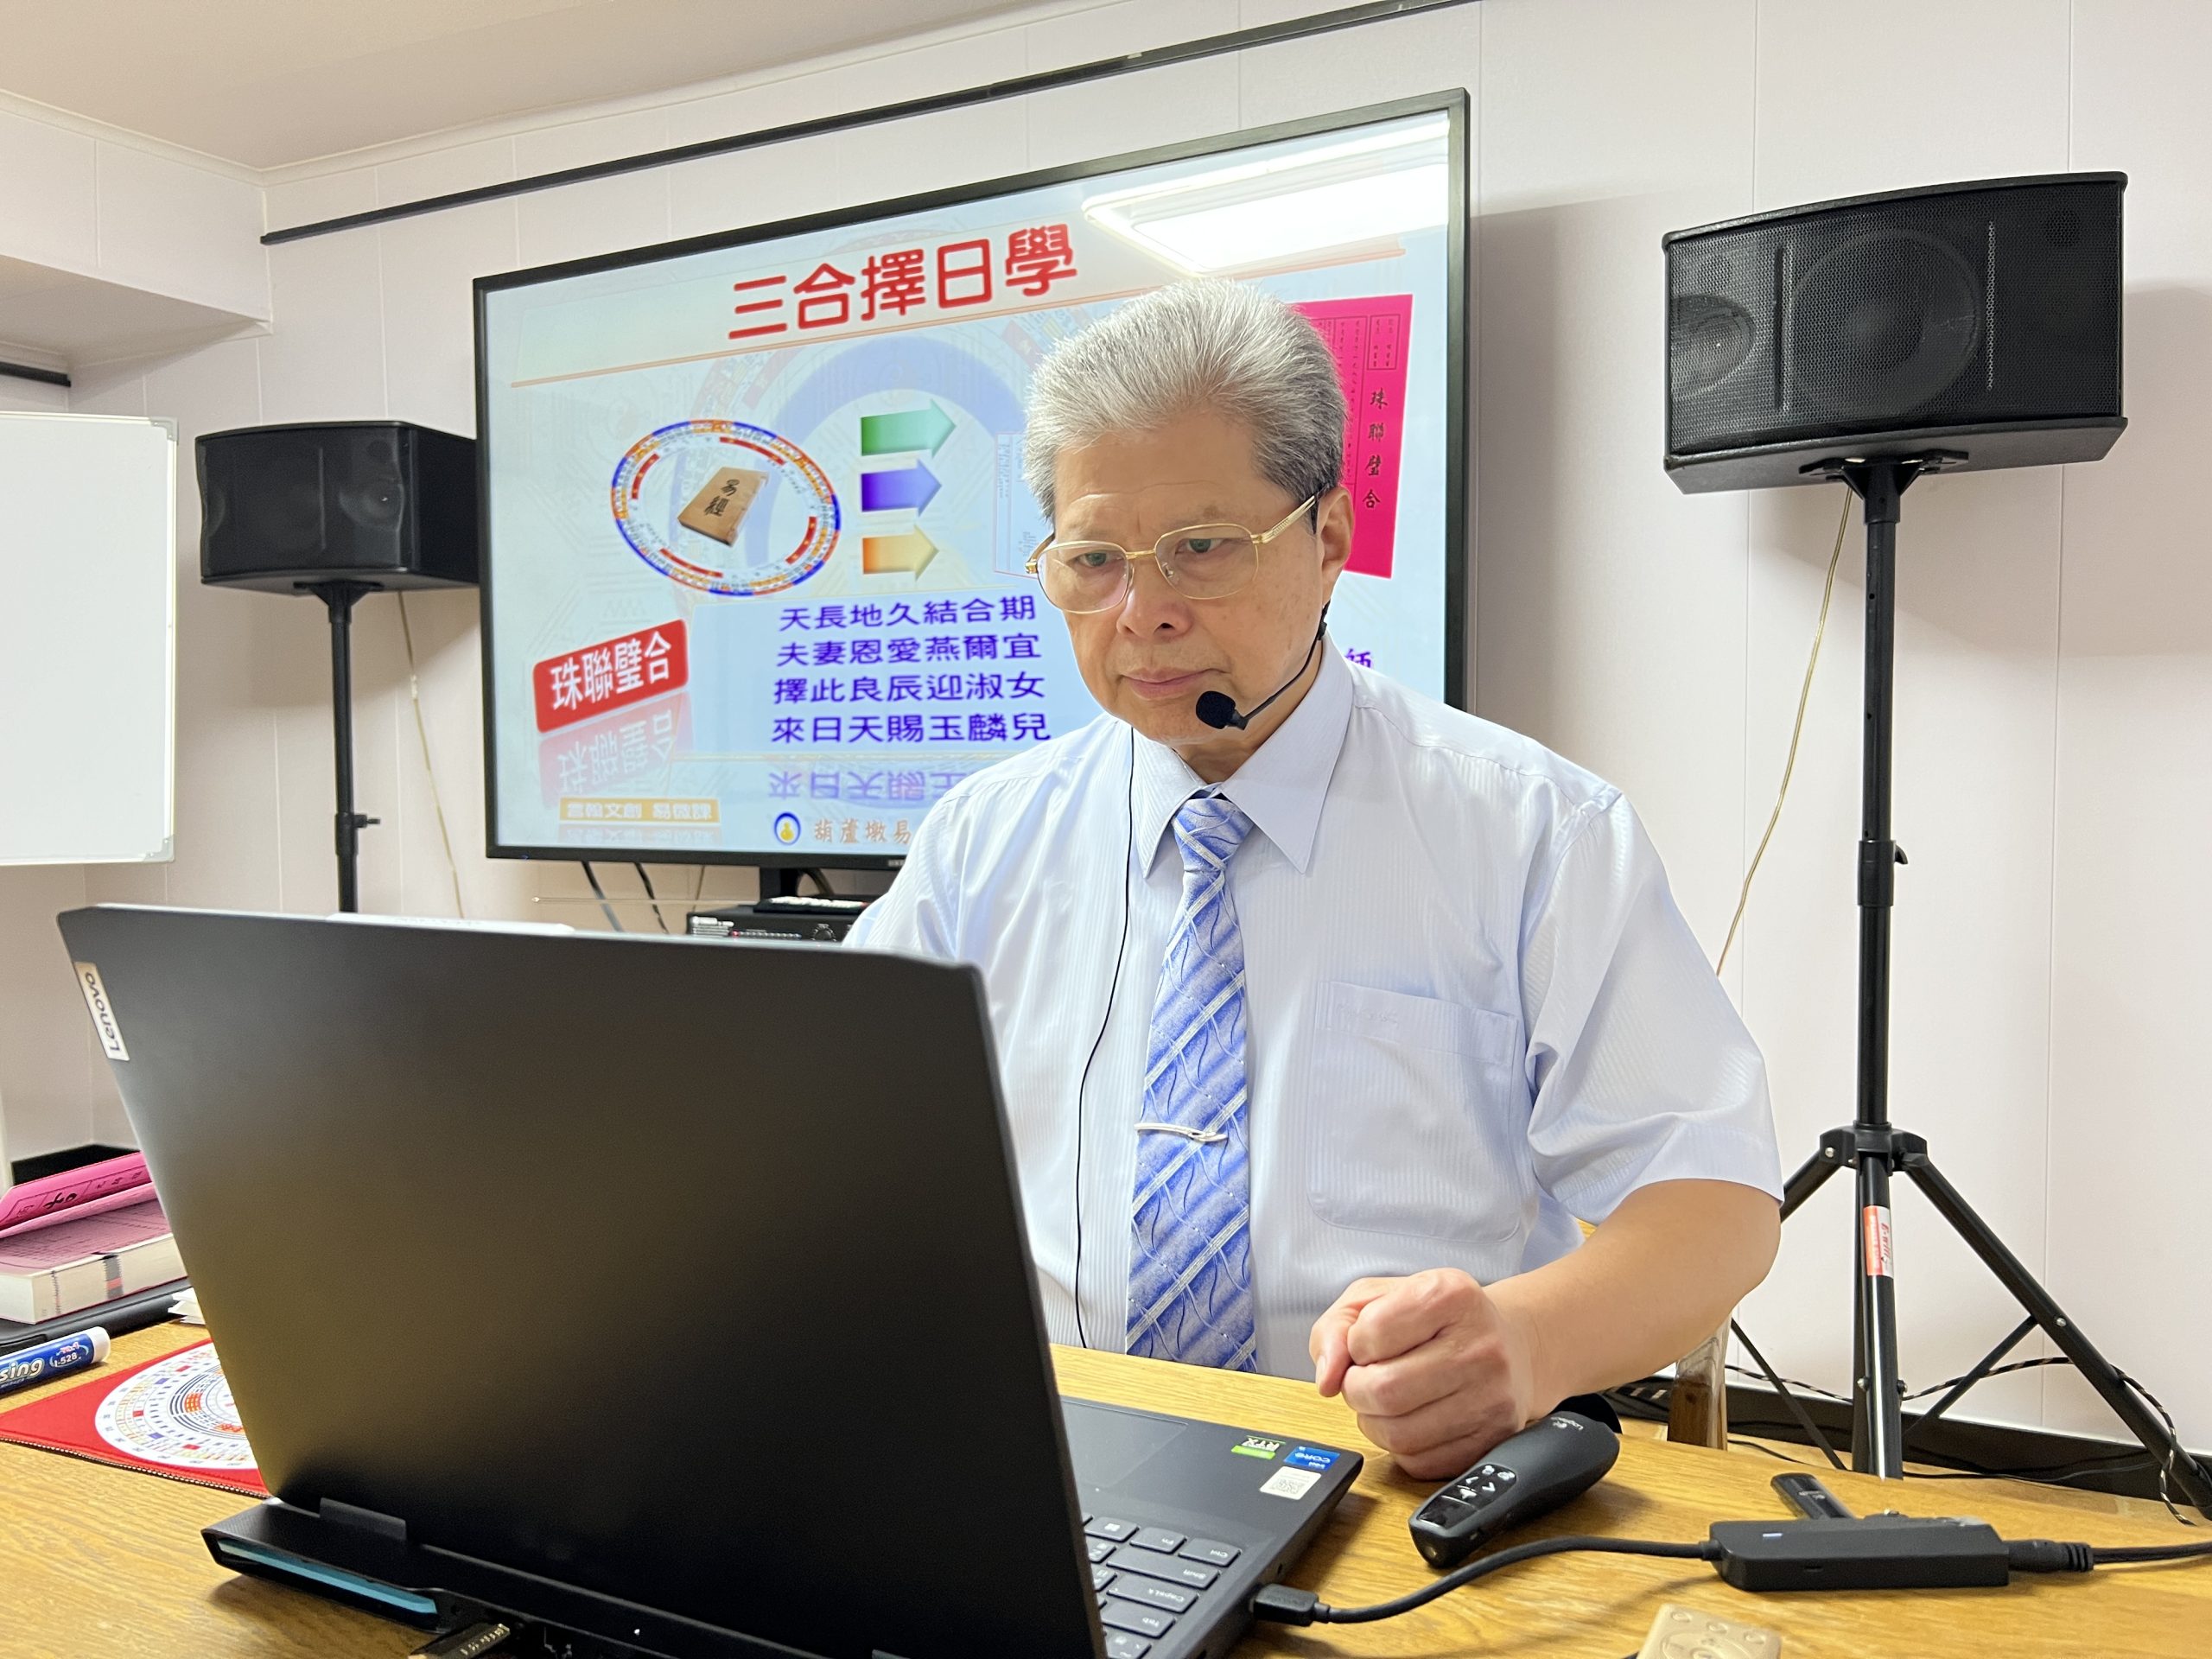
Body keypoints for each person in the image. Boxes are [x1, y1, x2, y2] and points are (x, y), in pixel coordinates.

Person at [848, 281, 1781, 1478]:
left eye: (1200, 550)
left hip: (1396, 1468)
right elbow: (840, 1142)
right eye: (1094, 560)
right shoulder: (983, 840)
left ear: (1329, 537)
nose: (1143, 614)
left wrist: (1525, 1341)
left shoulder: (1531, 828)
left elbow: (1711, 1201)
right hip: (1050, 1451)